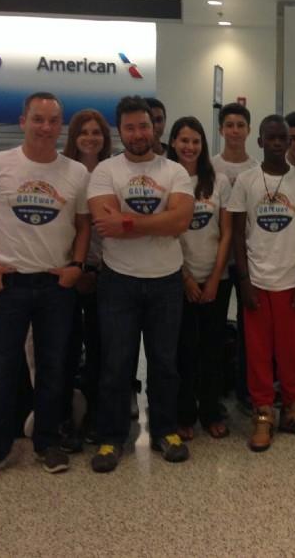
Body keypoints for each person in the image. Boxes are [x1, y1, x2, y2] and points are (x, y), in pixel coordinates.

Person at [0, 92, 91, 487]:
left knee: (54, 370)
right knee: (1, 371)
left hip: (55, 286)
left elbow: (84, 224)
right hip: (8, 284)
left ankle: (46, 442)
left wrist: (76, 266)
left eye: (53, 120)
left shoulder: (76, 173)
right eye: (38, 119)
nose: (46, 127)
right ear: (23, 121)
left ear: (60, 125)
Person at [87, 95, 194, 473]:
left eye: (144, 126)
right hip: (119, 282)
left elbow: (180, 221)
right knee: (116, 364)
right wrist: (158, 220)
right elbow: (104, 224)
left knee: (165, 363)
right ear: (120, 130)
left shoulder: (175, 171)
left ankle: (166, 431)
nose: (138, 133)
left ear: (154, 127)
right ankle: (111, 438)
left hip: (165, 281)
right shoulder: (105, 171)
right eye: (130, 127)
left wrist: (128, 223)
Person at [227, 115, 295, 452]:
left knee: (292, 352)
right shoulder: (246, 181)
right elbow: (237, 233)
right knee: (257, 352)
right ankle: (263, 413)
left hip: (291, 278)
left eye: (284, 138)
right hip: (256, 279)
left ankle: (292, 411)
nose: (280, 143)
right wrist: (244, 280)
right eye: (272, 138)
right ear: (261, 141)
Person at [168, 116, 233, 441]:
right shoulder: (166, 179)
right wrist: (186, 279)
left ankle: (210, 411)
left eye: (195, 141)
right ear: (173, 143)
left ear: (203, 145)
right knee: (183, 349)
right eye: (183, 140)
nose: (189, 147)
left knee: (212, 349)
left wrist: (214, 278)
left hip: (215, 282)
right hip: (178, 280)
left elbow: (226, 232)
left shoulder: (218, 181)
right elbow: (167, 235)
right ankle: (184, 415)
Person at [60, 108, 112, 449]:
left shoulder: (113, 173)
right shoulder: (63, 173)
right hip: (66, 273)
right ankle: (63, 418)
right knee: (62, 348)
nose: (90, 137)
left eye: (97, 132)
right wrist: (75, 268)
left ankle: (96, 415)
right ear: (74, 137)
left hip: (106, 273)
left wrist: (97, 269)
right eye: (84, 132)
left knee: (100, 349)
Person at [211, 102, 260, 414]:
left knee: (248, 330)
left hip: (246, 263)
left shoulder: (256, 170)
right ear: (220, 130)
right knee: (214, 329)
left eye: (240, 125)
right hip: (214, 262)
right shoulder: (209, 166)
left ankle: (246, 390)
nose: (235, 131)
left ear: (249, 130)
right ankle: (214, 390)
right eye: (229, 125)